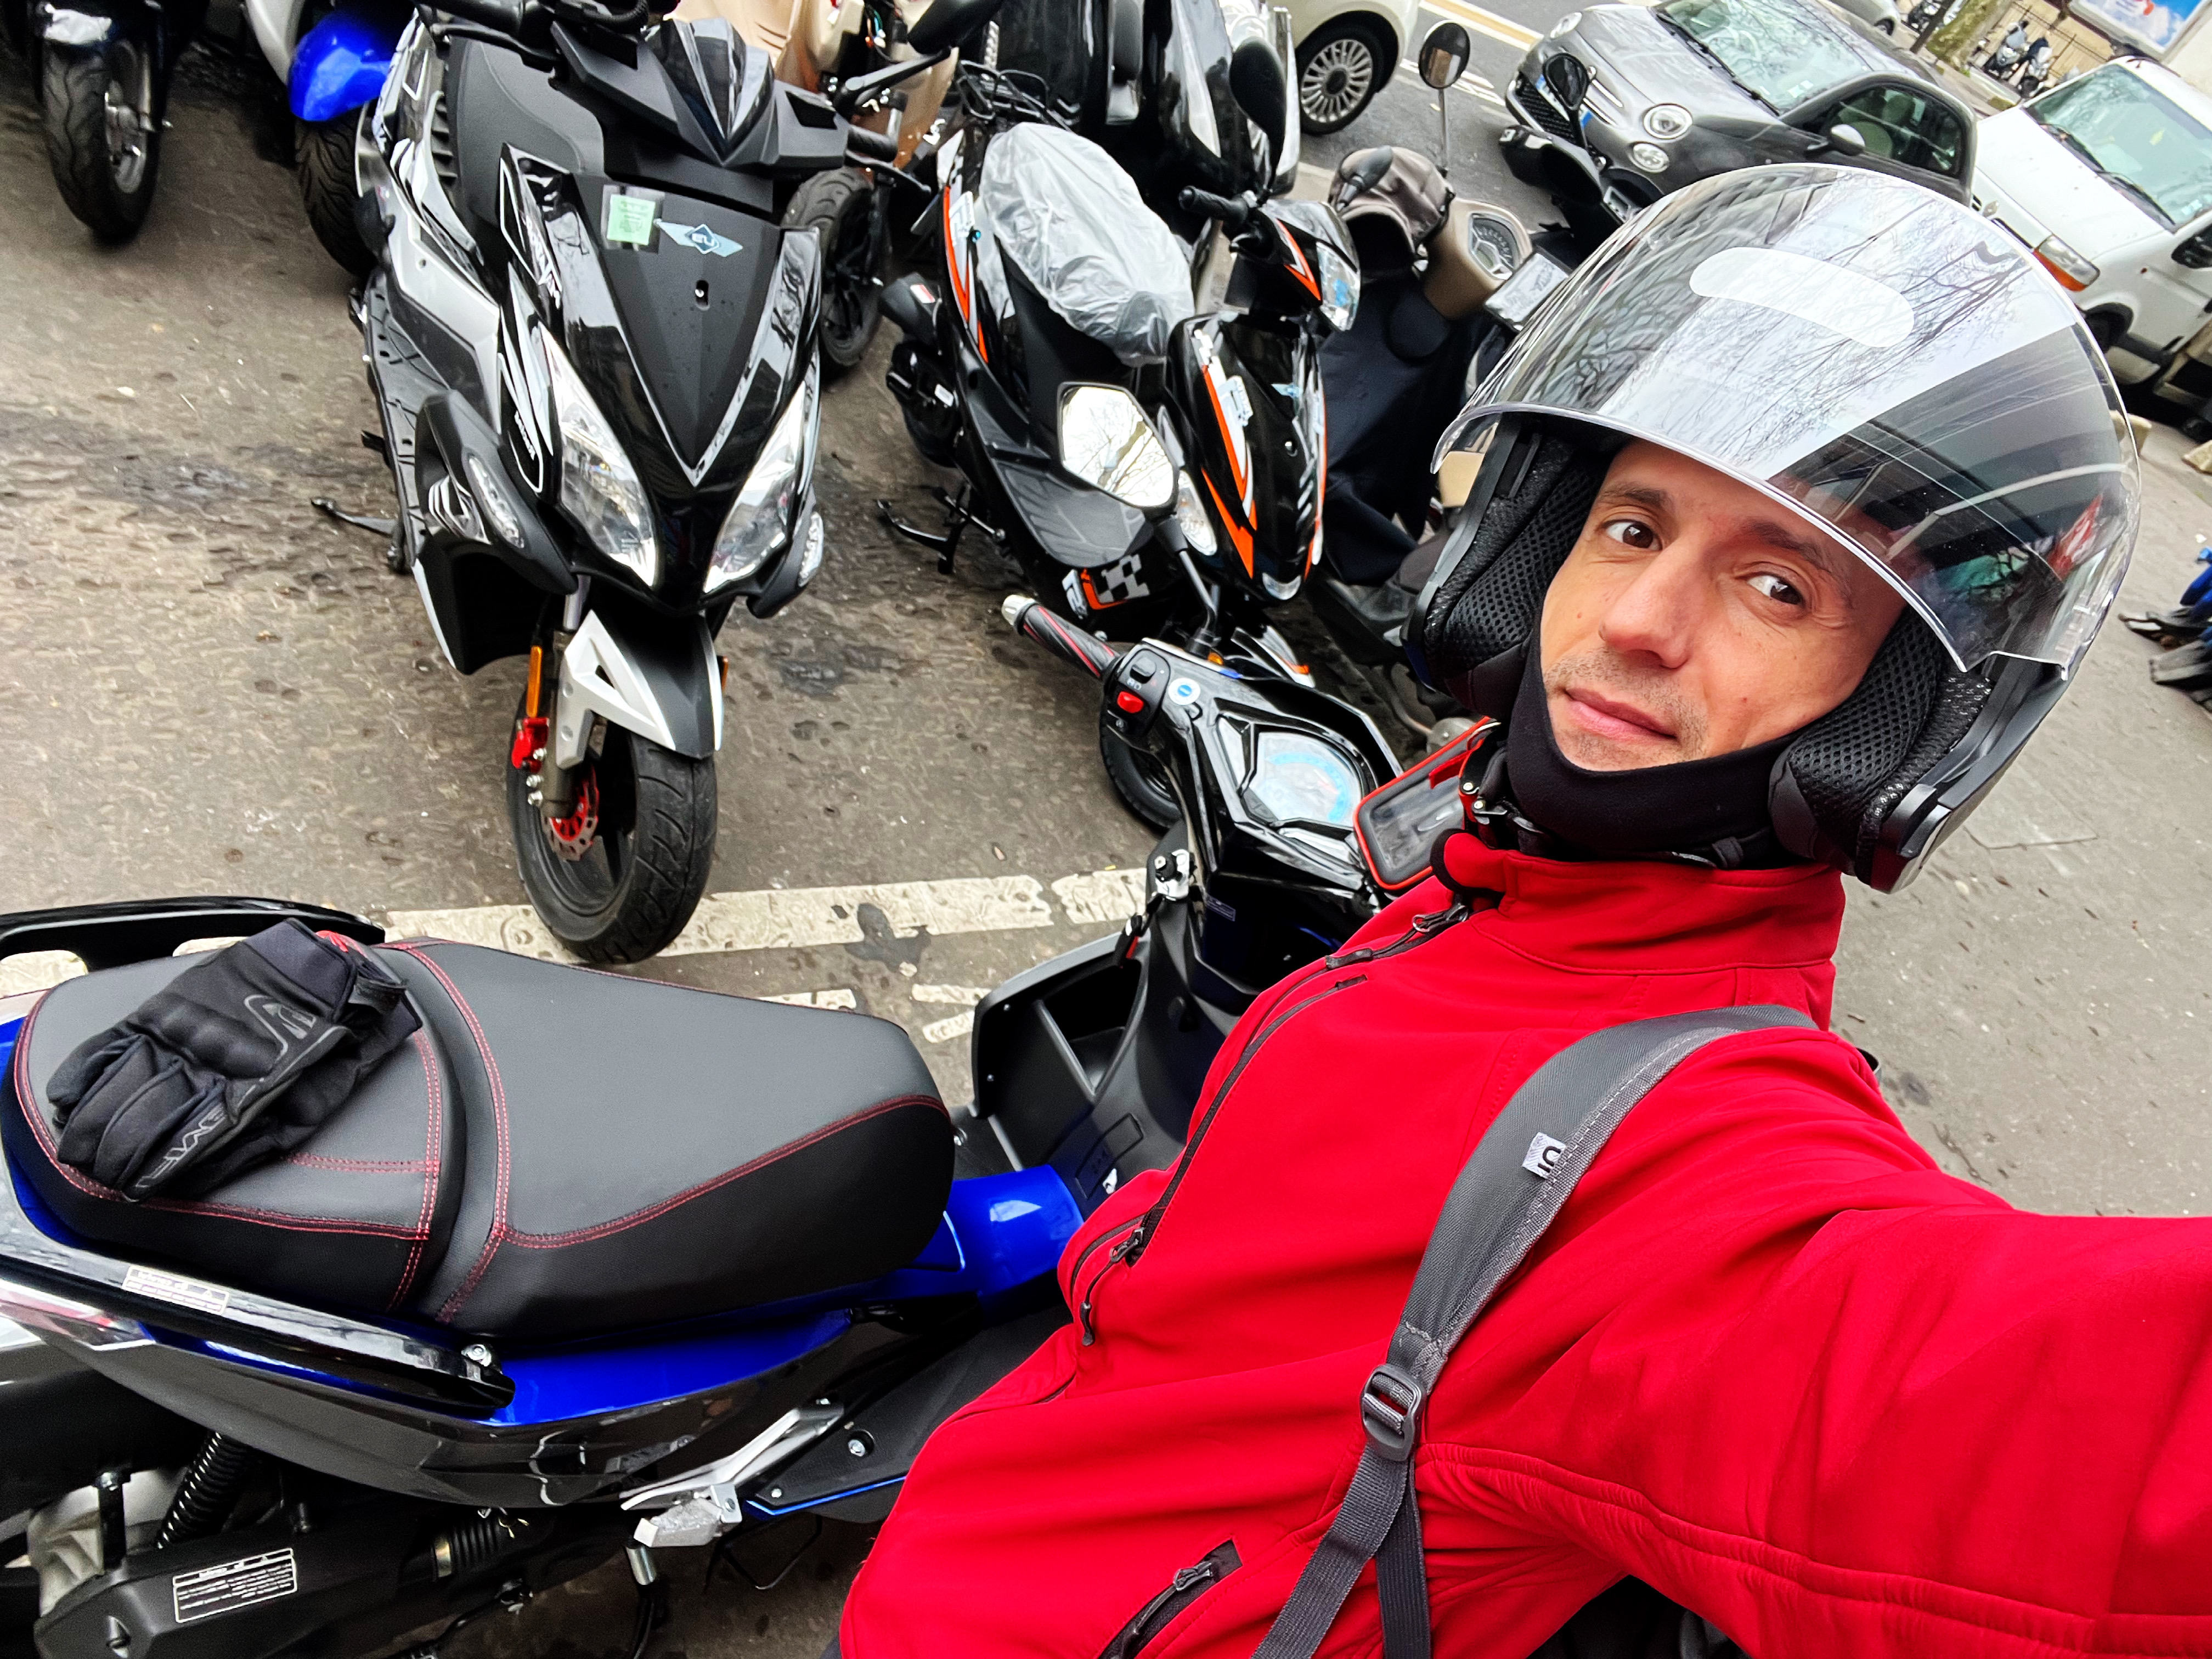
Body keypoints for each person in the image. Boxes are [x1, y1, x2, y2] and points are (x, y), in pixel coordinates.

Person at [836, 166, 2196, 1657]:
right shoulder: (1498, 882)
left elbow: (2067, 1429)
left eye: (1777, 588)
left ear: (1890, 713)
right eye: (1632, 528)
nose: (1636, 622)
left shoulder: (1694, 1172)